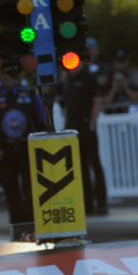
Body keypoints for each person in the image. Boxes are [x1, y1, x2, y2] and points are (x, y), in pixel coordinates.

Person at [0, 72, 47, 230]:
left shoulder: (28, 92)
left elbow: (40, 119)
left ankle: (33, 225)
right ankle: (17, 226)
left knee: (30, 189)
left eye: (10, 75)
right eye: (4, 76)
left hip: (27, 148)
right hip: (4, 150)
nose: (7, 79)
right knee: (10, 190)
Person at [61, 62, 108, 215]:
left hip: (86, 125)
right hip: (73, 127)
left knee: (94, 164)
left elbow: (97, 102)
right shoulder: (67, 81)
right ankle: (87, 204)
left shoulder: (89, 78)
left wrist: (91, 124)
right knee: (80, 167)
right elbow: (66, 106)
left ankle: (101, 202)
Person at [102, 49, 138, 114]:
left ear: (127, 62)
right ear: (114, 62)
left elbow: (137, 99)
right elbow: (105, 102)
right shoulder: (108, 79)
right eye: (118, 61)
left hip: (130, 117)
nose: (120, 64)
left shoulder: (133, 77)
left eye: (123, 61)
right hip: (111, 118)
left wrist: (126, 87)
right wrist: (114, 88)